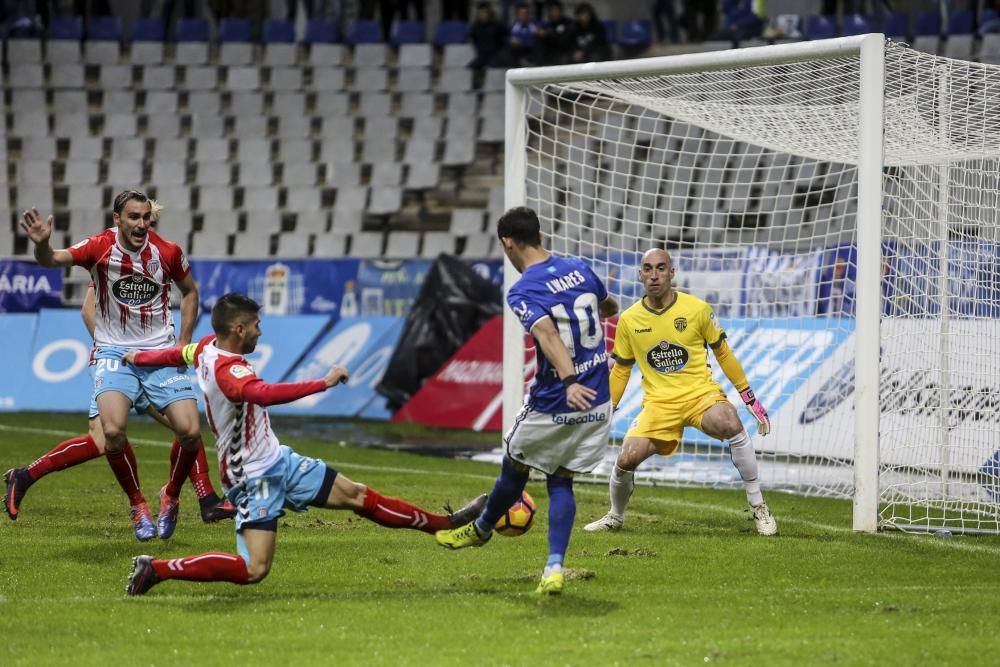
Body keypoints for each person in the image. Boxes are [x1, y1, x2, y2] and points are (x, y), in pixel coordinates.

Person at [124, 293, 487, 595]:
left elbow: (175, 354)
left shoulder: (205, 348)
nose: (260, 332)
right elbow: (263, 394)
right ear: (238, 329)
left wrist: (139, 357)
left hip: (278, 461)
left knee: (357, 495)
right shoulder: (229, 372)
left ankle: (444, 523)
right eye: (255, 326)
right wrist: (323, 383)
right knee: (254, 569)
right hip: (252, 479)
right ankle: (157, 569)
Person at [4, 202, 235, 526]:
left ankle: (206, 498)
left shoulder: (162, 254)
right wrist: (111, 348)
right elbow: (88, 309)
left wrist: (176, 342)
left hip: (154, 358)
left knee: (185, 428)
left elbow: (189, 292)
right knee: (103, 439)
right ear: (120, 220)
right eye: (137, 218)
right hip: (116, 360)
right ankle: (25, 476)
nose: (143, 225)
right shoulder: (105, 258)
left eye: (148, 219)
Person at [435, 207, 619, 595]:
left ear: (507, 242)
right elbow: (608, 306)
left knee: (515, 464)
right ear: (538, 234)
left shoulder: (523, 289)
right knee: (560, 477)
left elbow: (548, 333)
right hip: (599, 397)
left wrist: (568, 379)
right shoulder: (580, 268)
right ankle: (554, 568)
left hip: (558, 397)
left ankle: (482, 529)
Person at [583, 248, 779, 536]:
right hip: (659, 404)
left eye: (661, 268)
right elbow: (622, 369)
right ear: (640, 275)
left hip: (701, 396)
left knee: (730, 422)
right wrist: (607, 408)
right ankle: (615, 515)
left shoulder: (697, 309)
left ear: (672, 273)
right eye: (647, 269)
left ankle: (758, 505)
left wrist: (748, 396)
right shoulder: (629, 319)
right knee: (626, 458)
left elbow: (723, 354)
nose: (654, 275)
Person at [534, 0, 575, 65]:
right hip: (550, 53)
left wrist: (549, 34)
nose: (555, 13)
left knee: (563, 57)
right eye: (552, 10)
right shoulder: (547, 25)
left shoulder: (568, 23)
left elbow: (566, 40)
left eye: (556, 10)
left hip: (565, 51)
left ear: (561, 11)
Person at [468, 1, 506, 69]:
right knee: (470, 67)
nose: (483, 15)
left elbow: (505, 37)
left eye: (485, 12)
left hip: (495, 56)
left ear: (489, 13)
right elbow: (474, 39)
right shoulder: (475, 27)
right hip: (482, 56)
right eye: (481, 12)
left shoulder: (497, 25)